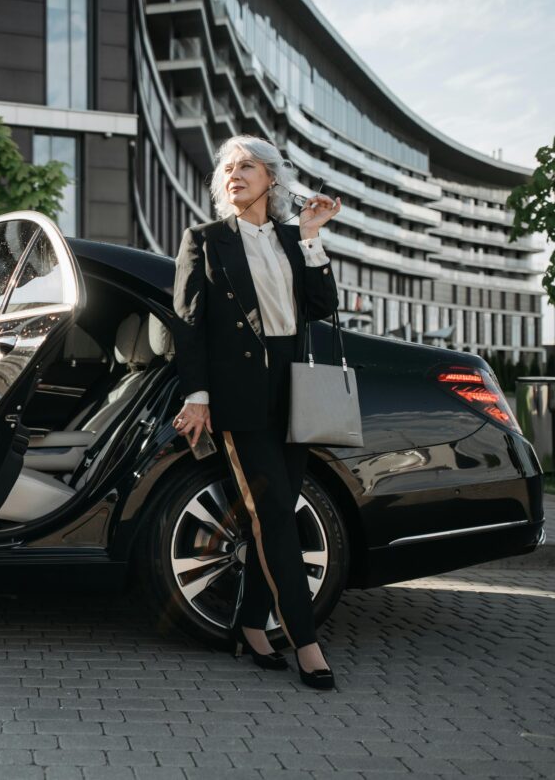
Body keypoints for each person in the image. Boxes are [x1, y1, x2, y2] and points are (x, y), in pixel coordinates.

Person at [169, 135, 342, 691]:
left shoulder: (294, 239)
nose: (234, 174)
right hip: (239, 398)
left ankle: (250, 624)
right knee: (272, 516)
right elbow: (188, 324)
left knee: (279, 512)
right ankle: (306, 641)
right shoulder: (206, 240)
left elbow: (321, 308)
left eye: (246, 166)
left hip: (294, 391)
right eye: (227, 168)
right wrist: (197, 396)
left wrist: (312, 238)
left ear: (272, 178)